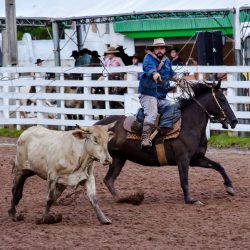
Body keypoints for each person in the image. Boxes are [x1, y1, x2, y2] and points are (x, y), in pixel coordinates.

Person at [138, 38, 178, 148]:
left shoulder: (167, 61)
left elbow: (171, 74)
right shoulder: (148, 58)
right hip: (148, 94)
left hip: (160, 97)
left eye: (162, 48)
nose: (159, 50)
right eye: (157, 48)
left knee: (174, 107)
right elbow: (149, 68)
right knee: (152, 114)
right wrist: (154, 74)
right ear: (154, 49)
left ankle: (162, 130)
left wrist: (178, 79)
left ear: (165, 49)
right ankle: (145, 138)